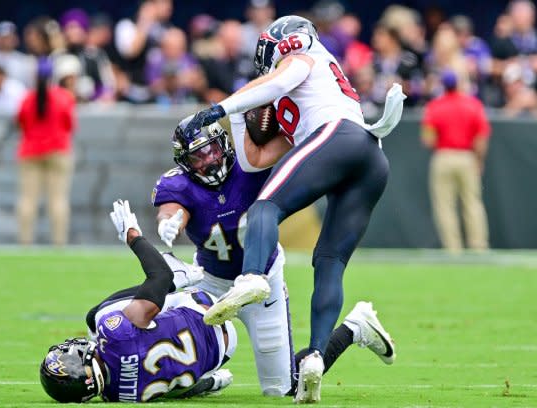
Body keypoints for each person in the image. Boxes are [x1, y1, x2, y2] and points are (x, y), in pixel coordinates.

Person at [181, 15, 404, 403]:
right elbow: (255, 160)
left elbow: (281, 80)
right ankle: (317, 353)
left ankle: (251, 276)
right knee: (329, 260)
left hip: (339, 135)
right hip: (370, 157)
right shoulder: (300, 98)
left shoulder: (304, 56)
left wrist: (219, 108)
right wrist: (234, 116)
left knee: (265, 206)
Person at [155, 117, 396, 399]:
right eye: (198, 156)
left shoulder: (252, 165)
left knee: (281, 388)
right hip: (211, 283)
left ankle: (355, 328)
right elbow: (172, 210)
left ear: (224, 144)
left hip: (262, 280)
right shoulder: (178, 185)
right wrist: (167, 222)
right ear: (184, 162)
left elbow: (308, 145)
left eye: (213, 150)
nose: (209, 161)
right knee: (165, 315)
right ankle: (190, 376)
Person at [40, 200, 236, 403]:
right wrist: (132, 236)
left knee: (149, 357)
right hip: (204, 309)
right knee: (96, 317)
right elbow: (160, 276)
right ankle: (180, 275)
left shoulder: (116, 396)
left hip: (221, 353)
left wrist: (211, 383)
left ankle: (207, 376)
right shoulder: (115, 333)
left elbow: (173, 392)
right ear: (82, 367)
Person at [421, 71, 490, 253]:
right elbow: (481, 137)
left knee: (445, 205)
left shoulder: (435, 106)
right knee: (473, 203)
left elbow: (427, 139)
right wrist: (479, 160)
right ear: (458, 84)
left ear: (442, 85)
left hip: (443, 156)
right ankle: (478, 247)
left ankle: (453, 250)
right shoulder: (472, 105)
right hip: (467, 157)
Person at [16, 58, 76, 246]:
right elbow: (70, 125)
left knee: (28, 199)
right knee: (58, 199)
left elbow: (21, 123)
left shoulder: (27, 98)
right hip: (58, 151)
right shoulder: (64, 97)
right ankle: (59, 243)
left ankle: (25, 242)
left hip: (30, 151)